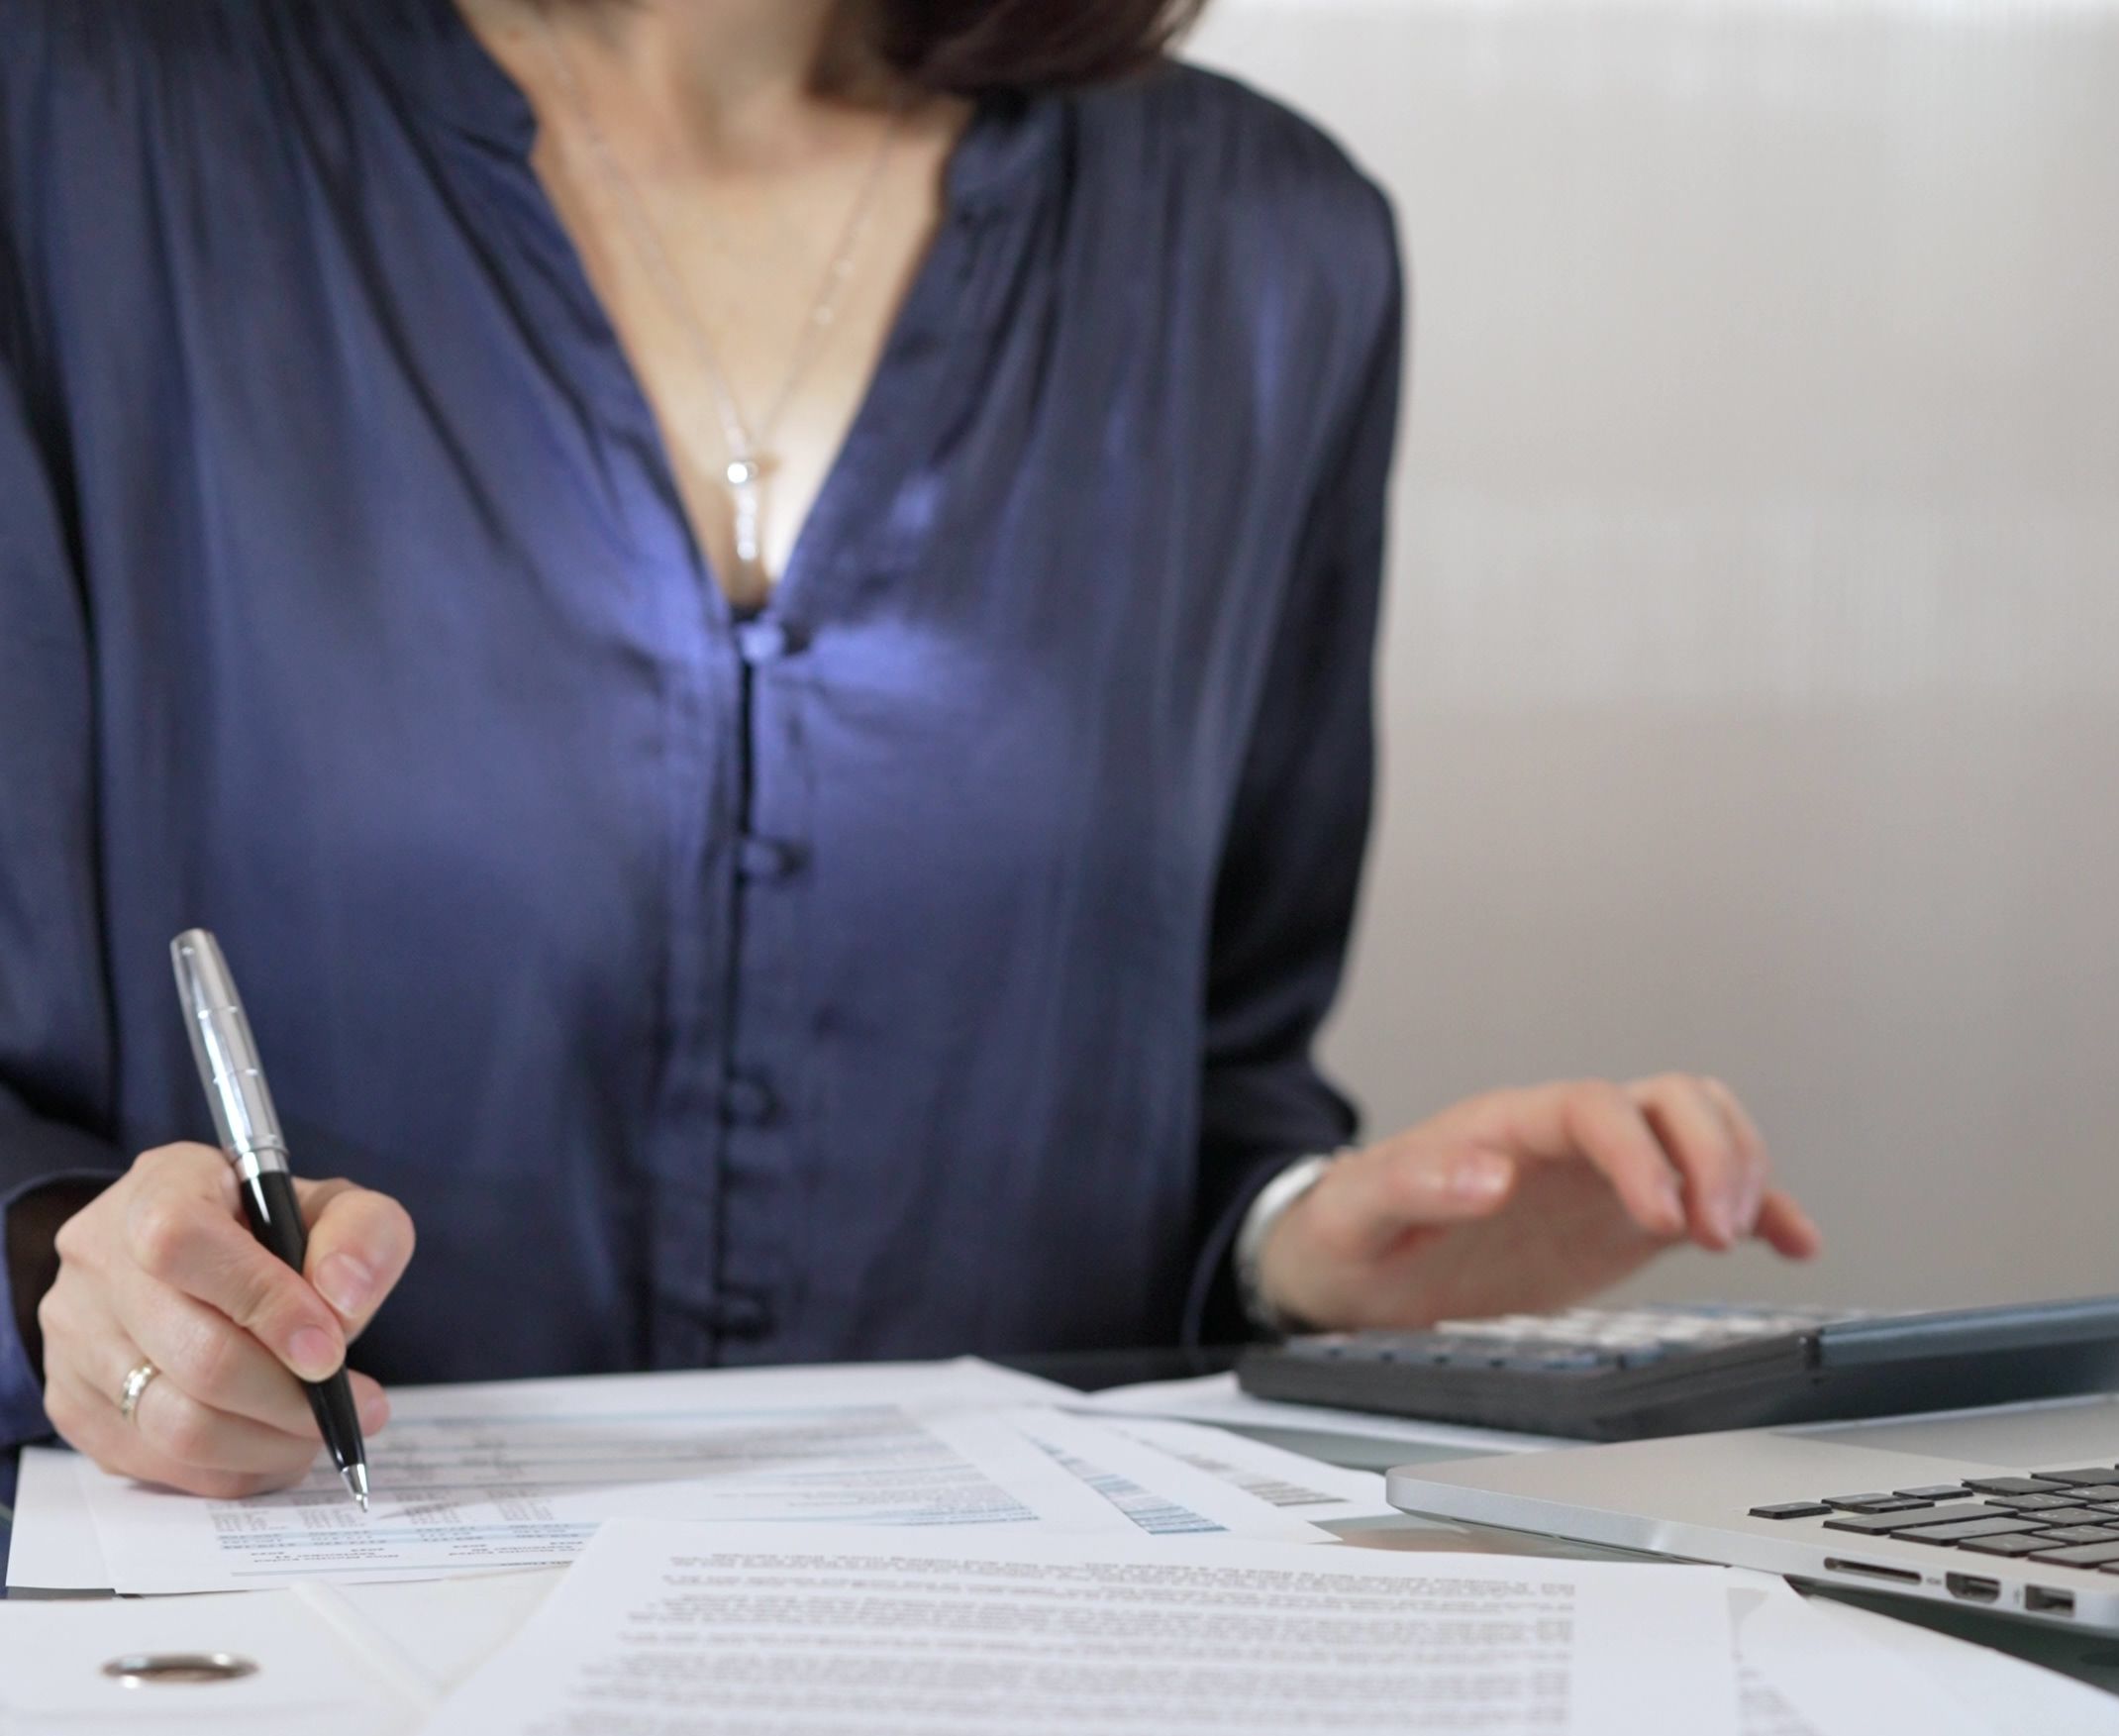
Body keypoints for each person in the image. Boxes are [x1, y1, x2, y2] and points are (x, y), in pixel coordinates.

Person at [0, 0, 1816, 1496]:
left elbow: (1219, 1073)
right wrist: (74, 1281)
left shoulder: (1266, 246)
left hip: (1042, 1695)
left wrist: (1303, 1253)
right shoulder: (70, 130)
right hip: (286, 1661)